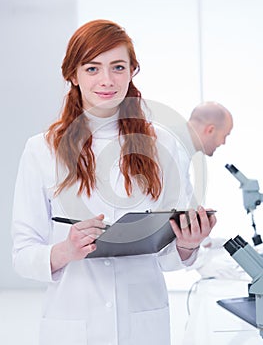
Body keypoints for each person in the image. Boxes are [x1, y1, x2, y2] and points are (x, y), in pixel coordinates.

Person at [11, 19, 216, 345]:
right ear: (73, 75)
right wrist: (66, 250)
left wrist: (187, 243)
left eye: (117, 67)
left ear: (132, 71)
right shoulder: (41, 150)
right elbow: (22, 254)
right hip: (73, 325)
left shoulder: (164, 146)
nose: (106, 80)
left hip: (143, 325)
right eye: (92, 68)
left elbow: (166, 256)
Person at [175, 101, 233, 209]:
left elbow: (188, 203)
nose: (223, 142)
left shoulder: (182, 151)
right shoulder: (175, 152)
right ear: (210, 130)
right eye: (225, 136)